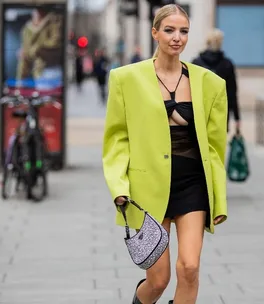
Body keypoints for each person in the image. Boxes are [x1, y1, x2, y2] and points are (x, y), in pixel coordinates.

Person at [102, 4, 227, 304]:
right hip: (147, 188)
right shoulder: (126, 79)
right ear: (154, 32)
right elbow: (117, 139)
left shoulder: (211, 83)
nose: (177, 37)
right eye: (169, 30)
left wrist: (219, 197)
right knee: (158, 280)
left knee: (190, 267)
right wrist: (119, 187)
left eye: (183, 31)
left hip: (192, 184)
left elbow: (214, 147)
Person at [192, 28, 241, 133]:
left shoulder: (196, 63)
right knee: (218, 147)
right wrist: (237, 118)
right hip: (221, 112)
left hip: (199, 112)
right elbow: (232, 93)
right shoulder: (227, 64)